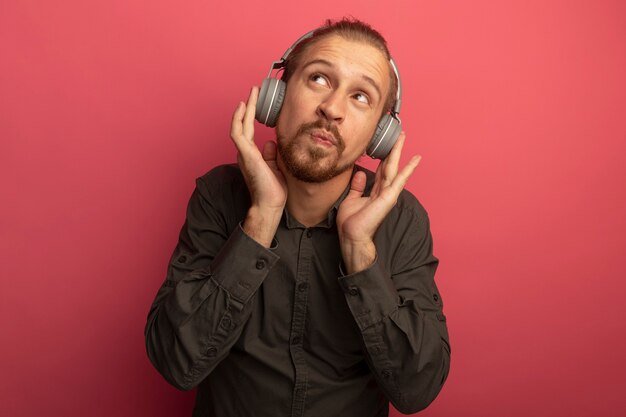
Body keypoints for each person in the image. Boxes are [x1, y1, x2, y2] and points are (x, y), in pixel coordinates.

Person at [145, 18, 450, 417]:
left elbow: (417, 390)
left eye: (361, 97)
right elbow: (175, 362)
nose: (333, 109)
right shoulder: (219, 196)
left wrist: (360, 252)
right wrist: (260, 220)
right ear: (278, 96)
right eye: (320, 79)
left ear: (380, 135)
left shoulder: (403, 219)